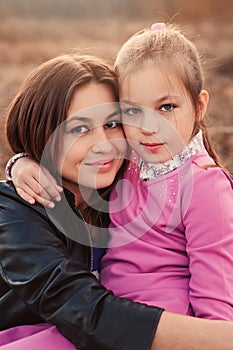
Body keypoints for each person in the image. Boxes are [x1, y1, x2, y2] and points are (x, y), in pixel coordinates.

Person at [3, 32, 233, 350]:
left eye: (112, 123)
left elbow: (217, 297)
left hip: (150, 327)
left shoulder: (161, 179)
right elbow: (77, 305)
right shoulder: (17, 209)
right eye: (80, 128)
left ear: (198, 106)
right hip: (95, 323)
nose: (105, 144)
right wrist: (23, 162)